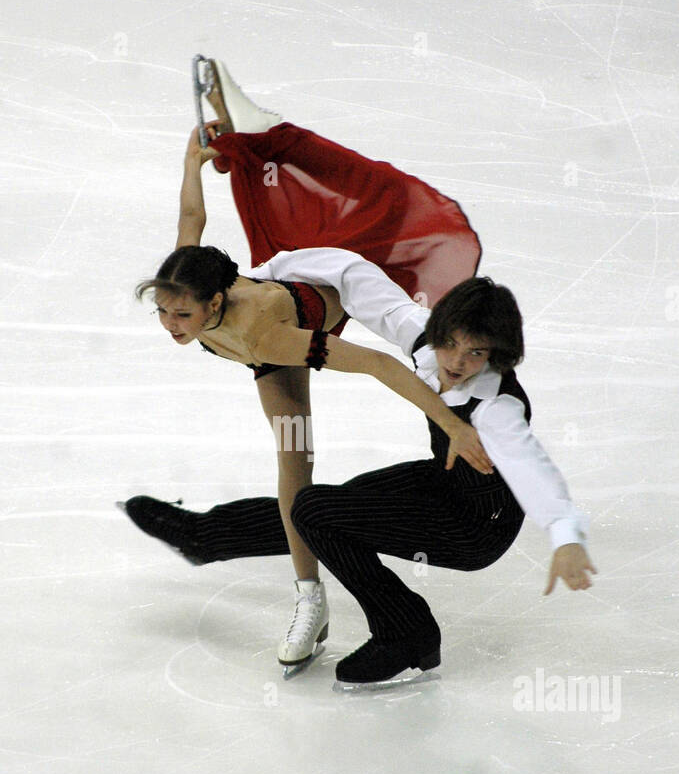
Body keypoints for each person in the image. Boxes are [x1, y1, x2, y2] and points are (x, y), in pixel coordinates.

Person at [132, 59, 488, 669]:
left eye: (181, 318)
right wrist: (192, 163)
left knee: (418, 340)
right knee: (293, 462)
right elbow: (193, 219)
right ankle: (310, 598)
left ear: (214, 303)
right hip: (268, 325)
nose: (171, 325)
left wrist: (454, 425)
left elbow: (376, 363)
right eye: (164, 312)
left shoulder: (270, 336)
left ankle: (449, 353)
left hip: (332, 282)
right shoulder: (189, 281)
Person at [124, 260, 595, 688]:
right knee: (327, 510)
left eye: (476, 353)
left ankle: (405, 632)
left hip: (475, 528)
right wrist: (267, 273)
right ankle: (204, 536)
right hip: (439, 481)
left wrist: (565, 534)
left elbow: (532, 467)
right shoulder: (427, 346)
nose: (455, 361)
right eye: (449, 342)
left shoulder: (497, 411)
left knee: (319, 512)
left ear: (500, 354)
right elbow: (354, 277)